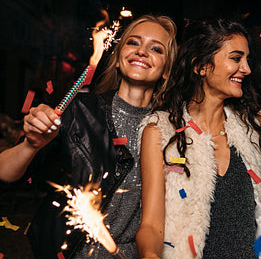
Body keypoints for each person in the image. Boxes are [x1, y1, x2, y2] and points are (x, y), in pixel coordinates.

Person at [0, 14, 177, 259]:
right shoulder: (78, 110)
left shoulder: (170, 130)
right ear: (117, 60)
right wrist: (30, 145)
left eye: (156, 48)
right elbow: (5, 174)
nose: (142, 52)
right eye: (133, 43)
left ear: (167, 70)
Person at [136, 18, 261, 259]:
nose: (247, 69)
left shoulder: (246, 121)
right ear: (201, 67)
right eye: (236, 58)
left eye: (247, 60)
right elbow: (150, 225)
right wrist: (149, 254)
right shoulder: (160, 130)